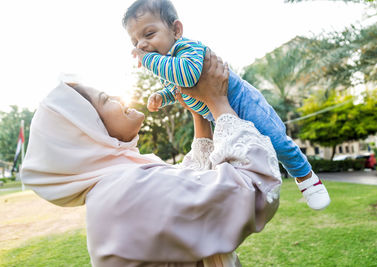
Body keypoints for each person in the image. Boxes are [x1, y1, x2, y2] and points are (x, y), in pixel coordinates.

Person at [21, 51, 282, 266]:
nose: (116, 97)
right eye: (105, 100)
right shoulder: (125, 190)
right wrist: (218, 102)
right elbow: (253, 191)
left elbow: (193, 180)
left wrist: (199, 113)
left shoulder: (118, 183)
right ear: (89, 132)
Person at [122, 0, 330, 210]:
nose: (141, 46)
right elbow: (178, 89)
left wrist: (147, 60)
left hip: (244, 103)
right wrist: (162, 96)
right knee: (243, 155)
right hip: (221, 116)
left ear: (176, 30)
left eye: (148, 35)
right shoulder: (168, 65)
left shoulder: (187, 48)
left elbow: (188, 75)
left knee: (277, 141)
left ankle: (307, 178)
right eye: (135, 42)